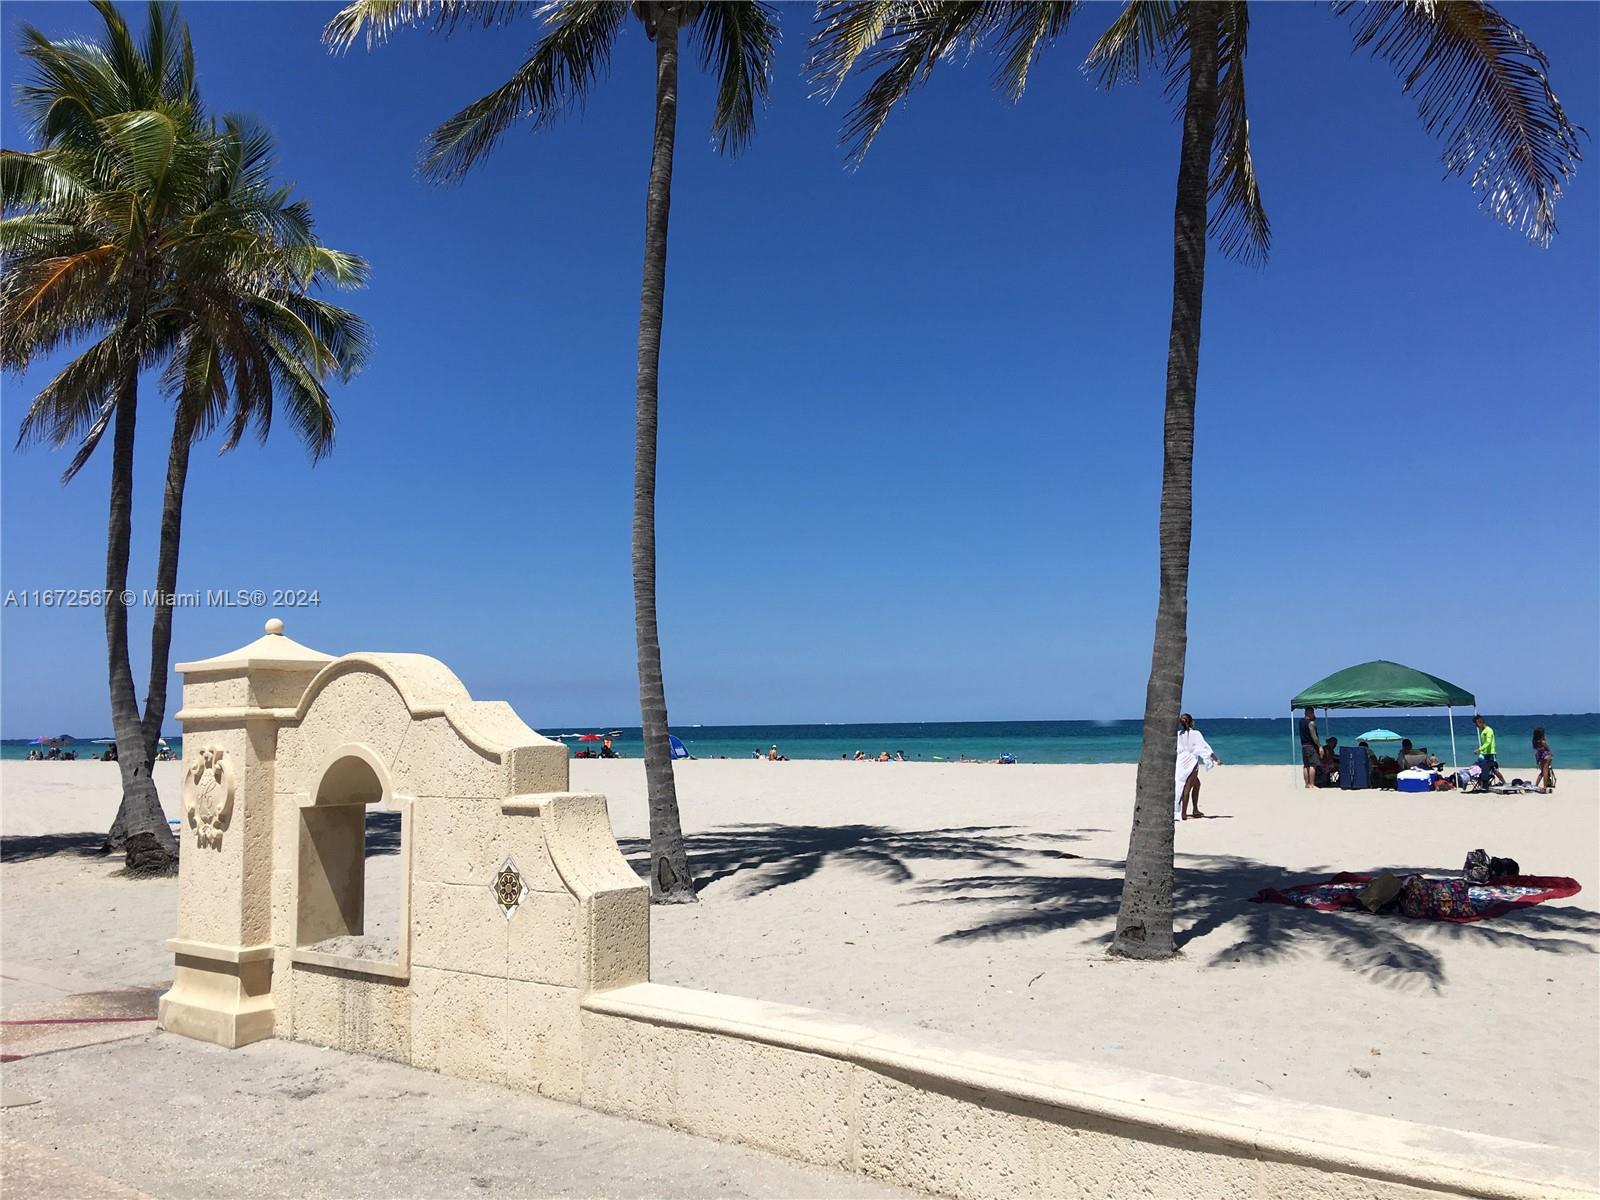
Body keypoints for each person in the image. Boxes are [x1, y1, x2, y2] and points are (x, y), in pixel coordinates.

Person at [1174, 713, 1221, 820]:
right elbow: (1205, 747)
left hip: (1180, 761)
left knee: (1195, 784)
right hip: (1191, 761)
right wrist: (1216, 759)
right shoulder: (1196, 733)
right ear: (1191, 722)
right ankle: (1183, 814)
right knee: (1187, 787)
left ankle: (1195, 809)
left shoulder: (1178, 734)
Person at [1473, 715, 1502, 790]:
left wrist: (1479, 749)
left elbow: (1488, 742)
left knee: (1494, 769)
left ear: (1480, 722)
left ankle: (1503, 782)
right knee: (1482, 767)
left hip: (1491, 753)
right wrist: (1481, 751)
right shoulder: (1482, 731)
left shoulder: (1489, 730)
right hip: (1484, 753)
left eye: (1476, 724)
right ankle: (1483, 783)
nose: (1476, 726)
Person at [1297, 706, 1321, 789]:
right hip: (1310, 746)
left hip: (1304, 746)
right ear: (1309, 713)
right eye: (1313, 713)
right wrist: (1320, 746)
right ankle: (1312, 784)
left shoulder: (1301, 722)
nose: (1314, 714)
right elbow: (1314, 737)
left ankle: (1307, 784)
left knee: (1306, 765)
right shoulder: (1310, 723)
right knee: (1312, 765)